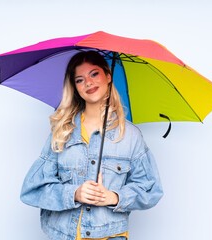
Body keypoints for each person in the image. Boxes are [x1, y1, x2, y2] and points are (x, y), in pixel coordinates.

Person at [20, 51, 163, 240]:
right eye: (79, 79)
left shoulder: (130, 136)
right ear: (75, 87)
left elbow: (151, 189)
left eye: (94, 74)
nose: (88, 82)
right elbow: (32, 189)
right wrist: (74, 193)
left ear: (108, 76)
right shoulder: (62, 131)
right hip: (63, 235)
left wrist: (115, 197)